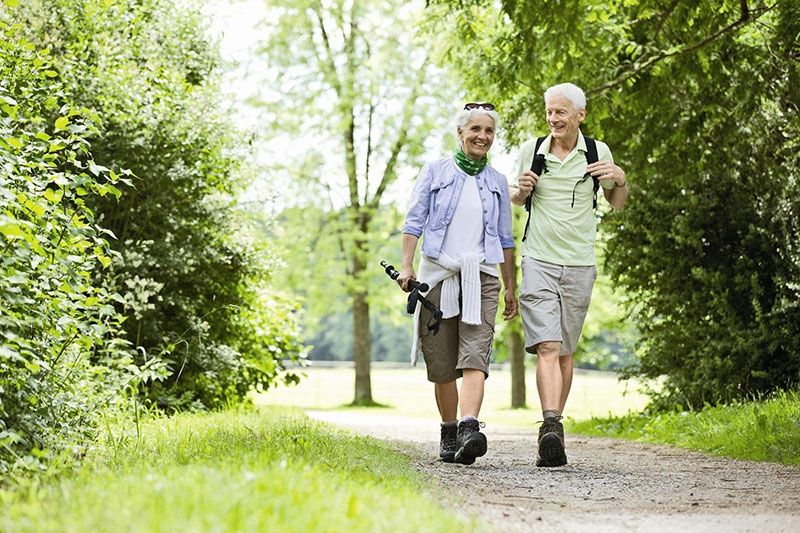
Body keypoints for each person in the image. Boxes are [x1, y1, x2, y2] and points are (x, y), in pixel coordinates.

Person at [510, 83, 628, 467]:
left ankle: (553, 428)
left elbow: (617, 204)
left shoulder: (597, 151)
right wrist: (520, 191)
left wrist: (621, 180)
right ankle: (550, 426)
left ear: (580, 114)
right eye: (549, 112)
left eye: (560, 112)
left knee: (564, 351)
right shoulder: (533, 150)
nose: (553, 119)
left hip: (579, 263)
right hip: (539, 259)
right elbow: (515, 196)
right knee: (546, 345)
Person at [398, 102, 517, 465]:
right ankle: (449, 431)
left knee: (474, 356)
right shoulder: (435, 171)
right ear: (460, 133)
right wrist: (407, 265)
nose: (483, 137)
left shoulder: (497, 181)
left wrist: (511, 285)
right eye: (476, 130)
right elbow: (414, 219)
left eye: (489, 131)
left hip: (481, 277)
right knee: (443, 363)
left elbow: (506, 238)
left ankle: (469, 427)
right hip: (438, 276)